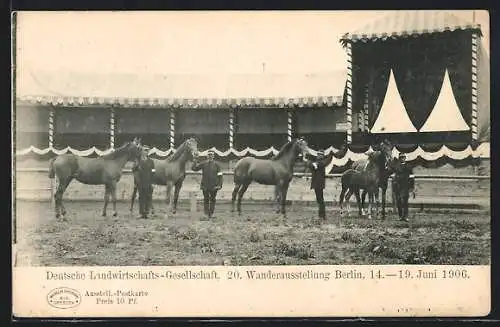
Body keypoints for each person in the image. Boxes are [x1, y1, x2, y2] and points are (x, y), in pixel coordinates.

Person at [192, 150, 223, 219]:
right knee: (206, 199)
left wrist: (219, 185)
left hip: (214, 185)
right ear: (207, 156)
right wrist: (195, 160)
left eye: (211, 155)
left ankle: (211, 214)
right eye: (209, 155)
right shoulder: (203, 164)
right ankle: (206, 214)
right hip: (205, 185)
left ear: (213, 156)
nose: (210, 156)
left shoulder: (217, 165)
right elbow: (194, 168)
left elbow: (220, 175)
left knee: (212, 199)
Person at [305, 150, 333, 220]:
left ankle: (322, 215)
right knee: (320, 199)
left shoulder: (322, 163)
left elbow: (312, 165)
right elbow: (310, 165)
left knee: (320, 200)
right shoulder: (320, 162)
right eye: (318, 154)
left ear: (322, 156)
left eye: (320, 155)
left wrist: (310, 161)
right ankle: (322, 215)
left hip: (318, 184)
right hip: (317, 184)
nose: (318, 156)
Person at [392, 153, 415, 222]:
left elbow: (412, 177)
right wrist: (394, 186)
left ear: (405, 158)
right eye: (401, 157)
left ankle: (405, 216)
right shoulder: (396, 166)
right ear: (399, 158)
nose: (402, 159)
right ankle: (400, 216)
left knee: (405, 202)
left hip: (406, 186)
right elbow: (393, 177)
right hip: (398, 186)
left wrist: (411, 187)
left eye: (403, 157)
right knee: (399, 201)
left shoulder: (408, 166)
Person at [133, 146, 155, 219]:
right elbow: (134, 171)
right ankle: (141, 213)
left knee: (148, 197)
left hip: (149, 182)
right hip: (140, 182)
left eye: (147, 150)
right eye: (145, 150)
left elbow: (153, 172)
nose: (146, 152)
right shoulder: (138, 161)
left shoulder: (151, 161)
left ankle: (147, 213)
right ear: (142, 151)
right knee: (141, 197)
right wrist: (135, 182)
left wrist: (153, 182)